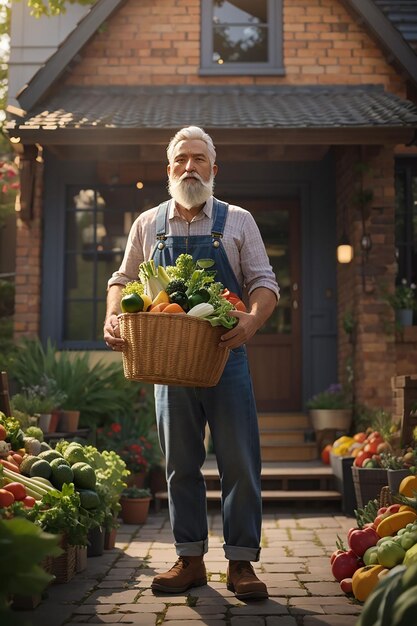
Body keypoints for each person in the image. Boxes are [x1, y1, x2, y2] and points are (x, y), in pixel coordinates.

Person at [104, 126, 279, 600]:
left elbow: (265, 283)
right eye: (181, 159)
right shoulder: (148, 223)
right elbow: (121, 279)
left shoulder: (238, 221)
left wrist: (253, 320)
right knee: (181, 464)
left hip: (228, 358)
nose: (189, 167)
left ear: (214, 169)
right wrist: (112, 316)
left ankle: (242, 564)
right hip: (167, 363)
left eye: (199, 159)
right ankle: (190, 559)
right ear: (168, 170)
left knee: (240, 461)